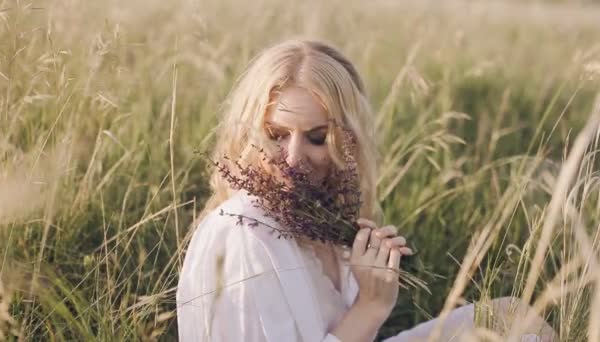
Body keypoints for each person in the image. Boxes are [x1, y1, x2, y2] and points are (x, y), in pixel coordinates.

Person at [176, 39, 555, 341]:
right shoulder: (243, 232)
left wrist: (371, 275)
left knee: (510, 317)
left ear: (348, 142)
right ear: (250, 133)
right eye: (276, 135)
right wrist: (372, 305)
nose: (293, 158)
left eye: (317, 137)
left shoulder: (322, 216)